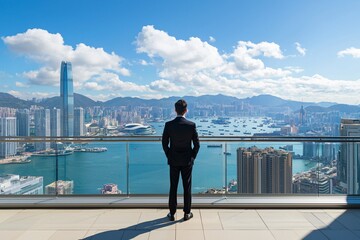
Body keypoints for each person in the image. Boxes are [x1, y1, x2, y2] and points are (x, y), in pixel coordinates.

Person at [162, 99, 200, 221]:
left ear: (175, 110)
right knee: (187, 186)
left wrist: (169, 155)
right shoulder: (191, 125)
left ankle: (172, 213)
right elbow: (197, 145)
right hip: (187, 161)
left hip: (173, 160)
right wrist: (192, 156)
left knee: (173, 186)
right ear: (186, 110)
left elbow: (164, 143)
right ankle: (187, 213)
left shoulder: (169, 125)